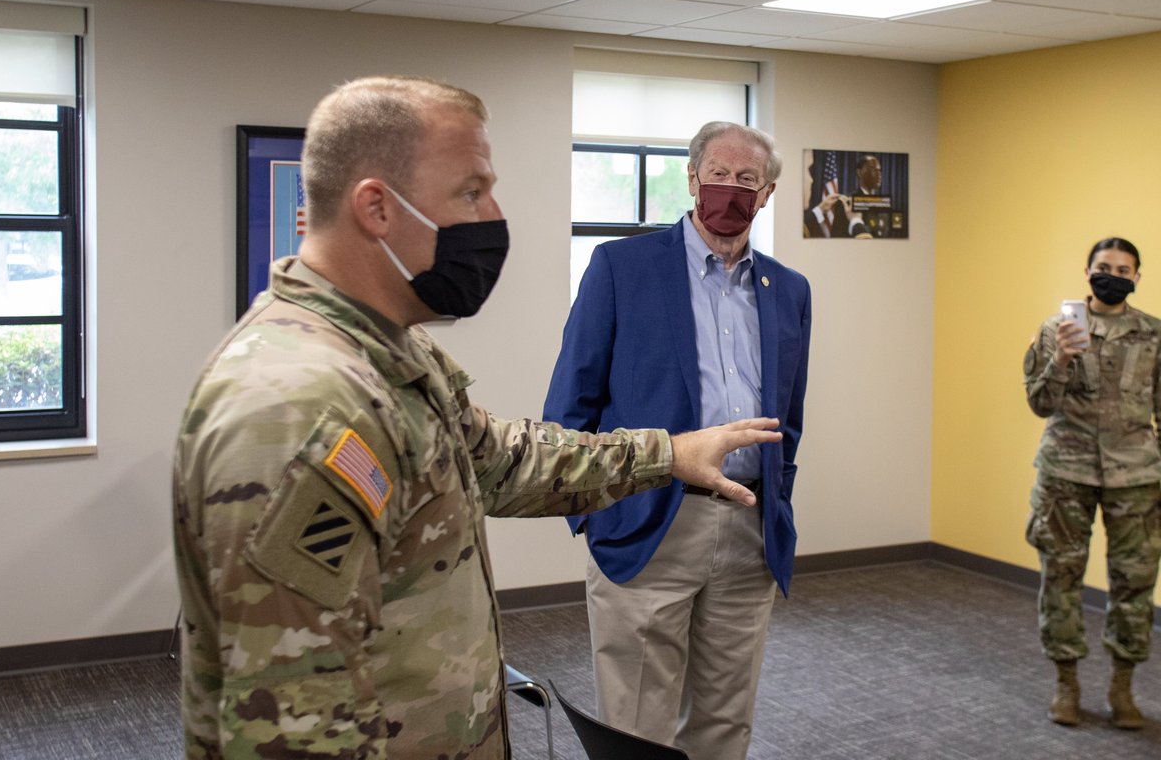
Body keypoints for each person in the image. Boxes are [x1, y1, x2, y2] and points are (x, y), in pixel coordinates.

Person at [172, 77, 783, 759]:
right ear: (376, 207)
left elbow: (501, 459)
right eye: (470, 192)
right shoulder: (300, 404)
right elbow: (288, 720)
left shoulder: (397, 353)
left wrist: (667, 455)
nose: (492, 215)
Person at [544, 121, 812, 760]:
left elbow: (790, 414)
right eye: (718, 174)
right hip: (647, 522)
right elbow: (570, 402)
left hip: (748, 526)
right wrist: (593, 516)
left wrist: (776, 502)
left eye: (747, 180)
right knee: (638, 724)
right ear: (692, 179)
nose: (731, 189)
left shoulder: (790, 289)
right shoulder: (621, 268)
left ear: (768, 192)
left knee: (726, 720)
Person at [1023, 236, 1161, 729]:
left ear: (1137, 277)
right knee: (1060, 579)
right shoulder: (1055, 329)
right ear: (1088, 272)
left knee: (1134, 584)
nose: (1114, 274)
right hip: (1066, 474)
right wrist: (1059, 359)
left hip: (1137, 478)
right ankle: (1066, 684)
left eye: (1124, 268)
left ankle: (1123, 689)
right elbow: (1039, 404)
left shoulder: (1153, 334)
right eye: (1105, 266)